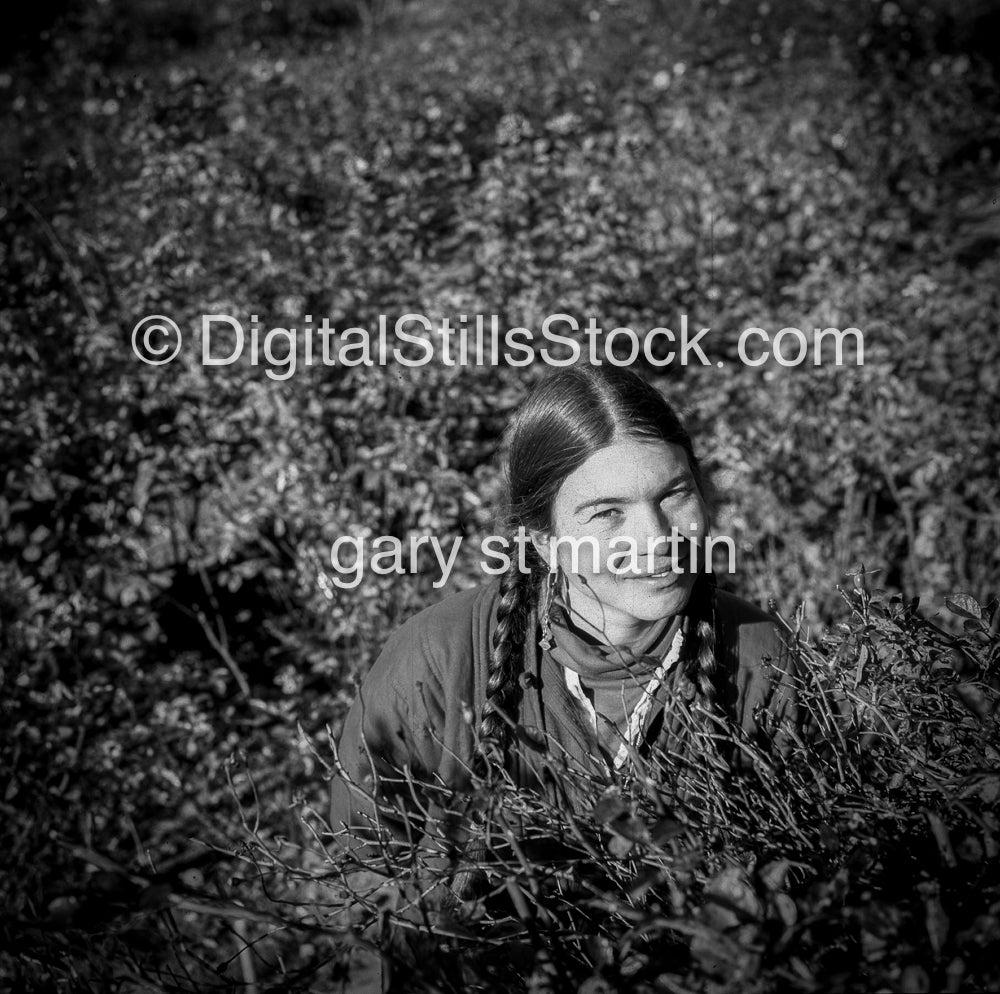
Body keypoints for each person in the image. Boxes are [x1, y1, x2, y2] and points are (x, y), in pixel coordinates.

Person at [326, 364, 800, 992]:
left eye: (674, 494)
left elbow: (802, 893)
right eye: (607, 513)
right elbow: (364, 889)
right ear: (542, 541)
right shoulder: (438, 657)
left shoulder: (759, 653)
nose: (657, 538)